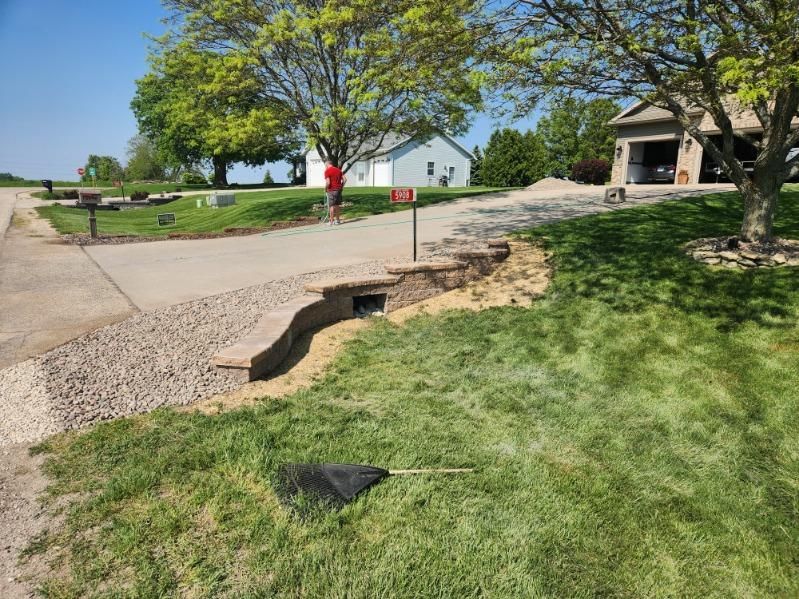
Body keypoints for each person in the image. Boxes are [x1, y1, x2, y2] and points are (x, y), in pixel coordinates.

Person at [324, 160, 347, 225]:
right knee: (337, 205)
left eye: (325, 166)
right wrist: (341, 186)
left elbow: (328, 182)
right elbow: (345, 179)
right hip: (339, 190)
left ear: (327, 164)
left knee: (331, 206)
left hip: (331, 190)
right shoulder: (339, 170)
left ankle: (331, 221)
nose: (325, 167)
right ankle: (337, 220)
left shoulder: (327, 171)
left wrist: (325, 188)